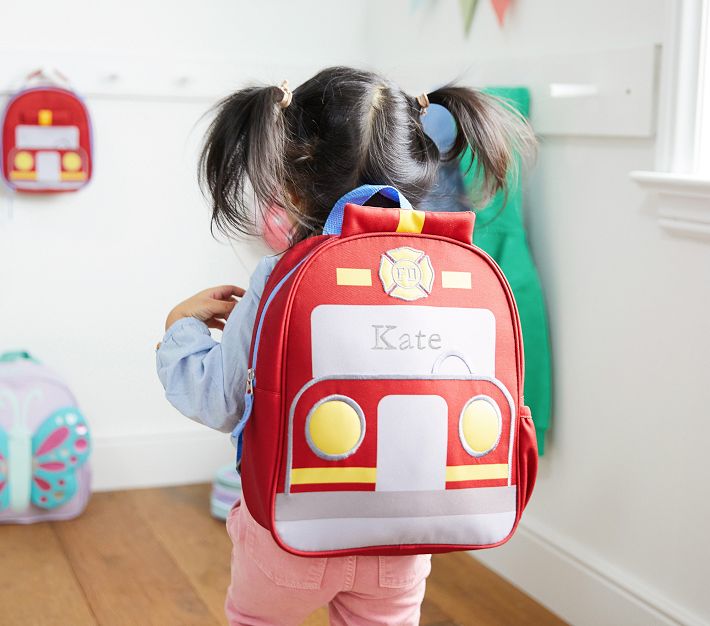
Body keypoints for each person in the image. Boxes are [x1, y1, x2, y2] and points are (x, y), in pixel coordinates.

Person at [156, 66, 535, 626]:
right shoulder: (457, 273)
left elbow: (218, 400)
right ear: (421, 170)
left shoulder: (277, 275)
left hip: (289, 530)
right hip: (405, 540)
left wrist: (178, 329)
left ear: (287, 182)